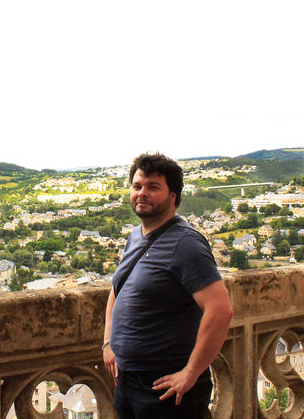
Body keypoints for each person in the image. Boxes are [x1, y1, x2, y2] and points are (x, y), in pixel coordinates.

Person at [103, 152, 233, 419]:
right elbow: (117, 290)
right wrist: (108, 343)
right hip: (127, 382)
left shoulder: (186, 244)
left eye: (153, 187)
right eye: (137, 186)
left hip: (165, 387)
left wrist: (191, 373)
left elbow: (220, 310)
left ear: (173, 196)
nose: (142, 193)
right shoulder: (135, 236)